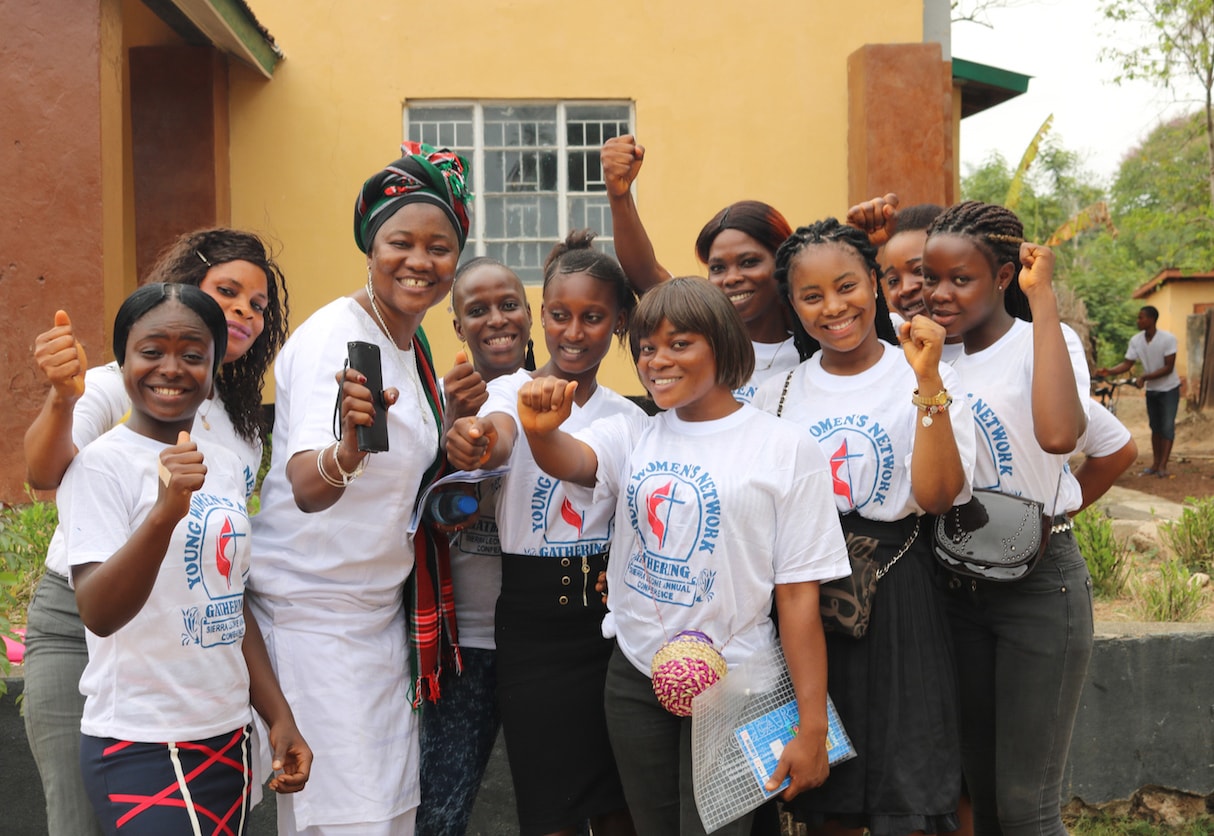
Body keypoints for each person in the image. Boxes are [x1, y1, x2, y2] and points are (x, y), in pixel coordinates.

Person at [510, 277, 849, 836]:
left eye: (679, 343)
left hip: (738, 682)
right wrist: (540, 434)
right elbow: (572, 460)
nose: (657, 361)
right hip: (636, 675)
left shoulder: (786, 447)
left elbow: (796, 595)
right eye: (646, 347)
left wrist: (812, 726)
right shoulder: (633, 433)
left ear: (721, 344)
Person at [22, 227, 290, 836]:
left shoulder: (241, 424)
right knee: (78, 820)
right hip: (84, 614)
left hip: (186, 638)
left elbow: (219, 565)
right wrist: (62, 400)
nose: (243, 310)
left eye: (257, 304)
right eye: (227, 290)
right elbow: (44, 473)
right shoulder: (120, 381)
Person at [247, 142, 472, 836]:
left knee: (385, 817)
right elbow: (308, 486)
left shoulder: (410, 344)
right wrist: (348, 449)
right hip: (314, 621)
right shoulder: (337, 341)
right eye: (400, 241)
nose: (419, 260)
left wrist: (457, 428)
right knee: (348, 824)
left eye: (439, 246)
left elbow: (402, 476)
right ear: (369, 249)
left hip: (376, 621)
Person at [752, 219, 975, 836]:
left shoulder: (922, 373)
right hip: (805, 603)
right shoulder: (777, 393)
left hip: (899, 591)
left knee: (908, 787)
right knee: (833, 802)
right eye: (811, 296)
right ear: (791, 304)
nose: (833, 308)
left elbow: (934, 497)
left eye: (847, 286)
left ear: (875, 285)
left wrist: (927, 382)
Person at [445, 230, 639, 836]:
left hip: (611, 622)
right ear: (542, 319)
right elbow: (497, 434)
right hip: (531, 622)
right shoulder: (508, 391)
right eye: (560, 316)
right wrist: (474, 443)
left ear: (619, 324)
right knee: (547, 804)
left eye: (592, 317)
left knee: (619, 804)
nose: (574, 332)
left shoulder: (630, 418)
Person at [920, 201, 1092, 836]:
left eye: (959, 279)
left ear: (1000, 276)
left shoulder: (1044, 343)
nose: (939, 294)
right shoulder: (931, 356)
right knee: (982, 797)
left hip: (1040, 591)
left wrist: (1041, 300)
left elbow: (1059, 434)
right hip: (958, 588)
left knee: (1027, 808)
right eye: (929, 277)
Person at [417, 257, 534, 836]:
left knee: (556, 806)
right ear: (457, 326)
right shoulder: (430, 406)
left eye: (509, 304)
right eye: (477, 309)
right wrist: (452, 434)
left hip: (543, 642)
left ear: (531, 315)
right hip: (459, 645)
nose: (497, 319)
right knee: (439, 809)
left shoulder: (562, 401)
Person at [601, 134, 799, 402]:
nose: (731, 278)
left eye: (749, 262)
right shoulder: (701, 335)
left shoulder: (816, 346)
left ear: (782, 261)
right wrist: (619, 195)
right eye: (718, 268)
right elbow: (646, 273)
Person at [1096, 305, 1182, 477]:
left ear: (1151, 319)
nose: (1138, 320)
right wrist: (1109, 372)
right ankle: (1156, 464)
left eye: (1141, 317)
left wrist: (1145, 378)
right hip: (1152, 390)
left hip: (1169, 389)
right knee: (1155, 427)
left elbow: (1169, 367)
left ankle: (1163, 466)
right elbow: (1128, 364)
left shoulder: (1168, 339)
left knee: (1167, 427)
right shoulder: (1136, 340)